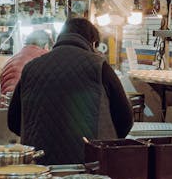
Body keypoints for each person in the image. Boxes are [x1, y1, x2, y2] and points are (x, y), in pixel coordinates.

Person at [8, 18, 133, 165]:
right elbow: (125, 117)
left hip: (39, 165)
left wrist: (39, 136)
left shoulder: (31, 68)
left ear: (58, 38)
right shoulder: (99, 66)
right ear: (92, 42)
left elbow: (13, 121)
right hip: (90, 166)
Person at [0, 30, 52, 107]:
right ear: (46, 46)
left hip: (5, 110)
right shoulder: (44, 59)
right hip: (25, 110)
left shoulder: (11, 60)